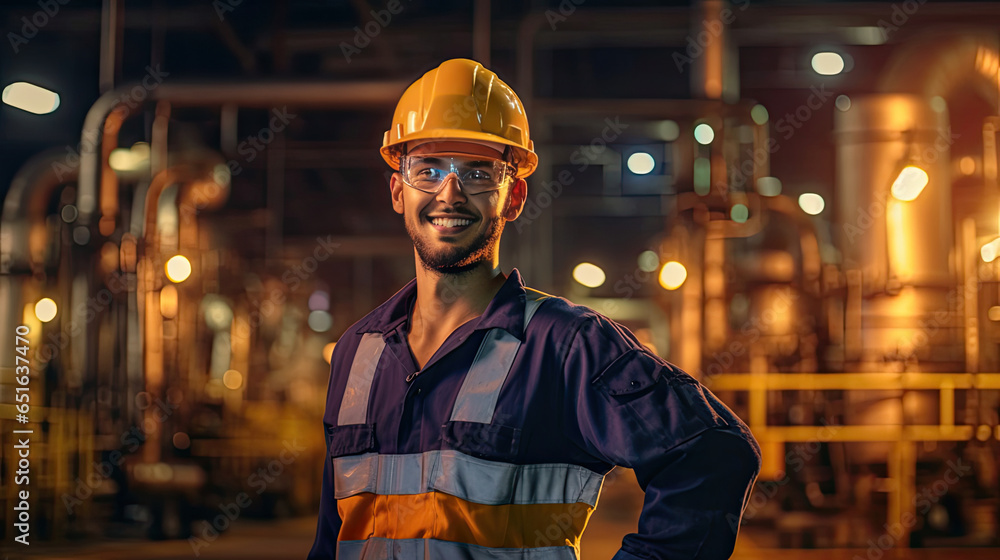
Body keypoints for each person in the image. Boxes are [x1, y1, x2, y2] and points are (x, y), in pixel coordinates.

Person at [308, 58, 761, 560]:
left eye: (478, 172)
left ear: (514, 196)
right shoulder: (356, 352)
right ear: (398, 190)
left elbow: (714, 454)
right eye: (428, 170)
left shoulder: (568, 346)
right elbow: (336, 534)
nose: (450, 192)